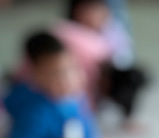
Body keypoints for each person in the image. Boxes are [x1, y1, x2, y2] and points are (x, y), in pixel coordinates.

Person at [57, 0, 150, 128]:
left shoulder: (113, 31)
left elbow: (124, 57)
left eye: (98, 11)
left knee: (133, 78)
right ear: (75, 11)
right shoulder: (66, 33)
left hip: (104, 75)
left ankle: (127, 117)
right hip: (79, 78)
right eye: (88, 11)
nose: (93, 16)